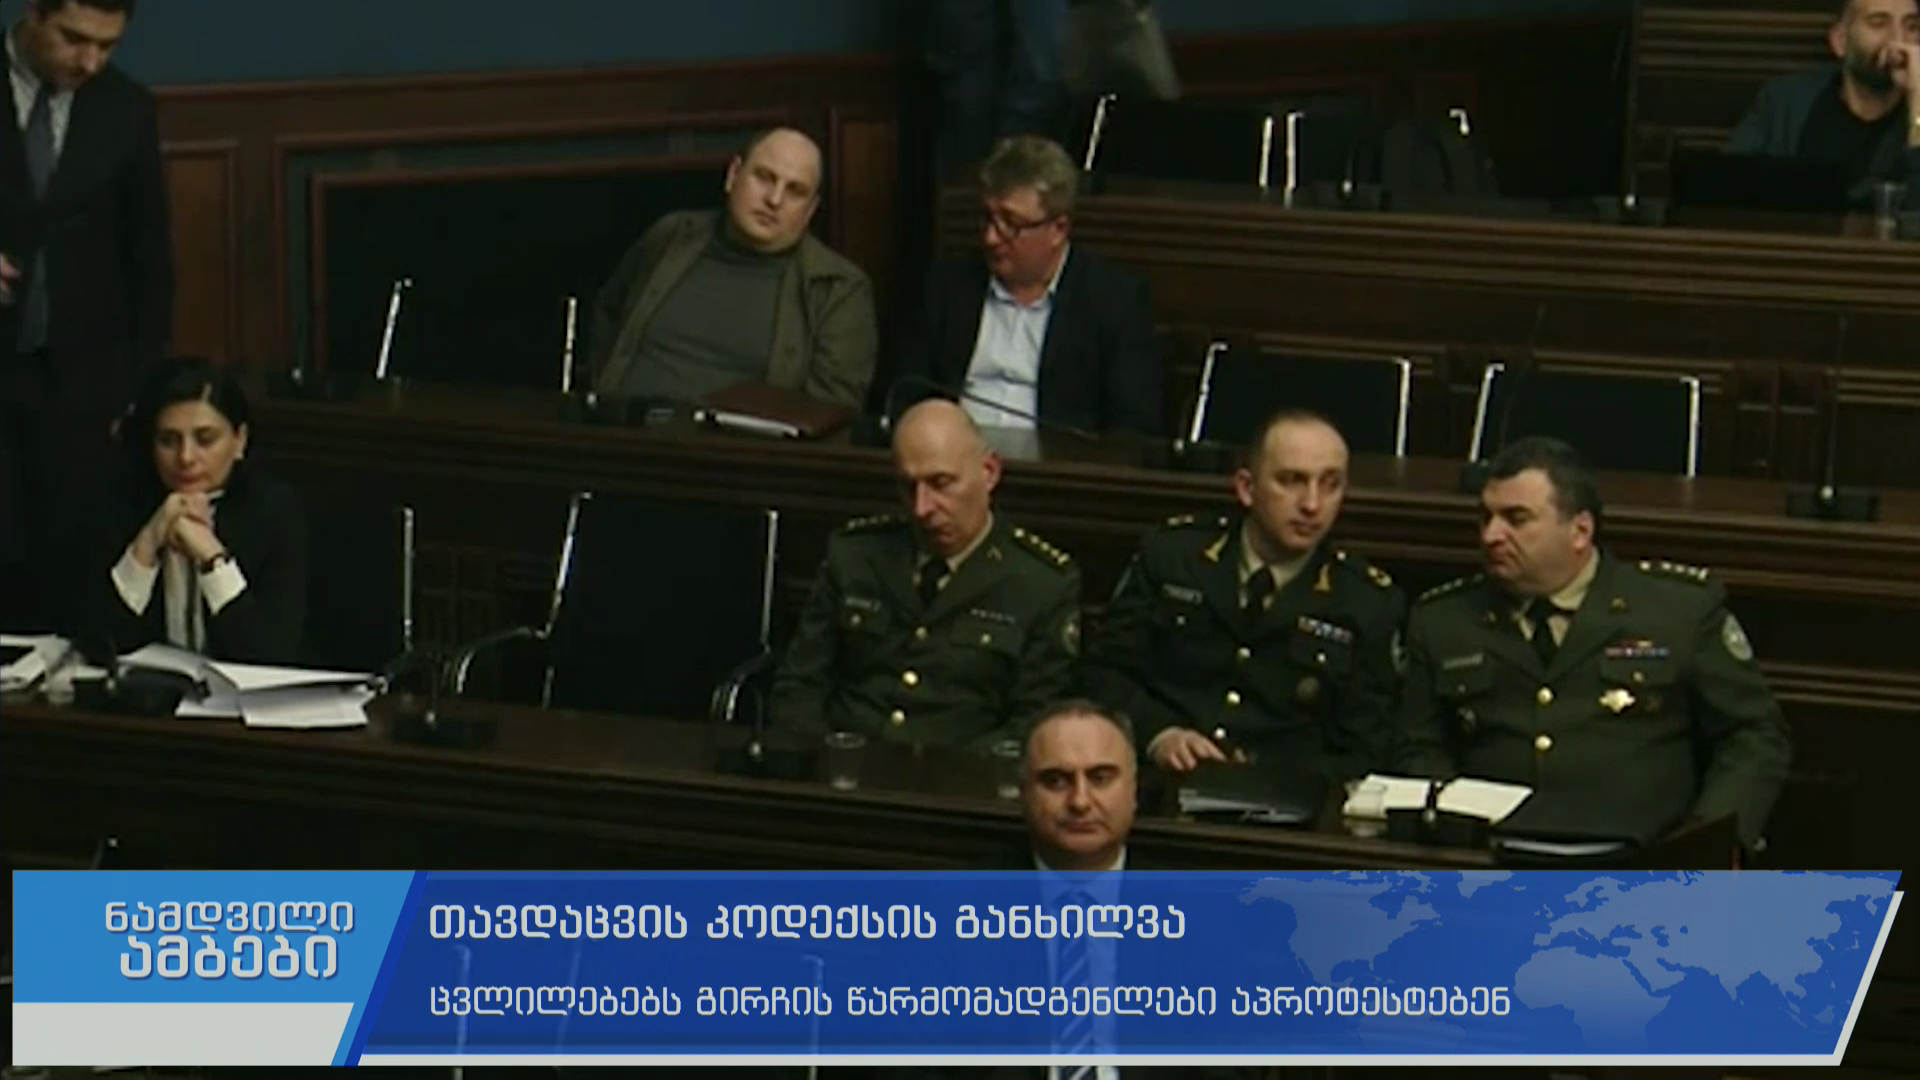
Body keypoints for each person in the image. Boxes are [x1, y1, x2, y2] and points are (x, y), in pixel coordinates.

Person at [1391, 437, 1792, 857]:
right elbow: (1418, 746)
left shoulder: (1676, 611)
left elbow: (1754, 735)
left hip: (1644, 862)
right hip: (1491, 861)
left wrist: (1711, 842)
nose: (1491, 535)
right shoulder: (1443, 620)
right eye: (1485, 517)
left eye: (1516, 518)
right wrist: (1447, 826)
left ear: (1580, 531)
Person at [1085, 410, 1405, 784]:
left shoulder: (1367, 601)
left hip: (1286, 801)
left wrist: (1266, 776)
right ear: (1246, 488)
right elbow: (1103, 673)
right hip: (1162, 783)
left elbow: (1367, 749)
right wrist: (1159, 734)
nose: (1312, 504)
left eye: (1330, 484)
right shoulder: (1173, 556)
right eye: (1292, 481)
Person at [0, 0, 171, 634]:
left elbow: (150, 258)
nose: (90, 61)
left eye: (107, 45)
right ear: (33, 12)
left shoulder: (126, 108)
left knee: (68, 588)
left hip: (81, 393)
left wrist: (137, 391)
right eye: (75, 39)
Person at [770, 399, 1081, 748]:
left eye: (941, 483)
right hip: (844, 764)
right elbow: (799, 686)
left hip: (965, 774)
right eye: (908, 486)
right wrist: (826, 759)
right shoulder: (855, 555)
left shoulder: (1040, 582)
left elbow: (1034, 725)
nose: (922, 508)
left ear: (989, 472)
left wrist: (954, 773)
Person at [587, 127, 878, 409]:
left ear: (810, 210)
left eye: (795, 191)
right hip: (619, 430)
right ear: (733, 175)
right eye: (764, 177)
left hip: (738, 442)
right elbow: (607, 314)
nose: (774, 200)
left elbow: (830, 410)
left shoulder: (838, 289)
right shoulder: (672, 235)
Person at [895, 135, 1162, 437]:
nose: (990, 238)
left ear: (1058, 229)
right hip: (955, 457)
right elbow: (906, 394)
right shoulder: (945, 287)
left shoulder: (1115, 301)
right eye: (988, 218)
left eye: (1010, 223)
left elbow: (1132, 425)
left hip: (1057, 460)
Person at [96, 358, 309, 664]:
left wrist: (212, 557)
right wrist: (148, 541)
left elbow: (269, 653)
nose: (185, 457)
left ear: (239, 440)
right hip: (150, 692)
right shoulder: (122, 503)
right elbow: (102, 643)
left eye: (205, 440)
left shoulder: (275, 512)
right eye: (168, 440)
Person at [1726, 0, 1920, 201]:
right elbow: (1727, 184)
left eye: (1912, 26)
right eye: (1878, 24)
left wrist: (1918, 102)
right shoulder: (1784, 101)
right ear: (1840, 41)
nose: (1899, 41)